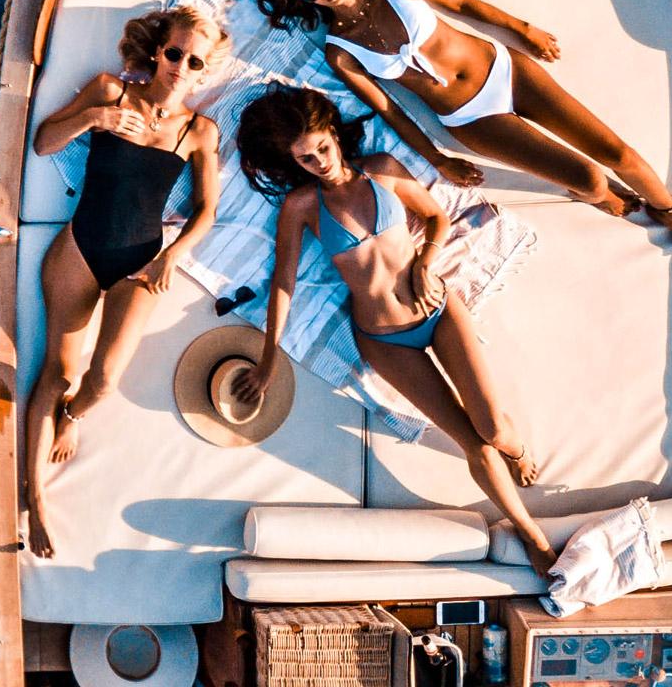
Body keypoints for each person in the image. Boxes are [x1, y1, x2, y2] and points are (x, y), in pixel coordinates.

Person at [230, 86, 557, 570]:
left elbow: (435, 217)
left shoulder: (381, 169)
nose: (318, 161)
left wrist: (425, 263)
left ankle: (519, 449)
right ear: (292, 161)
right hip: (385, 341)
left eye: (322, 147)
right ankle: (534, 537)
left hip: (439, 310)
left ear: (335, 136)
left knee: (492, 428)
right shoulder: (301, 206)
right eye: (304, 158)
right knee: (470, 442)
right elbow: (283, 285)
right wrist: (269, 360)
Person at [249, 0, 672, 260]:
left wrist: (524, 30)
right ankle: (604, 196)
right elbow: (390, 109)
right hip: (472, 120)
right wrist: (438, 158)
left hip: (506, 71)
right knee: (590, 180)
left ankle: (669, 211)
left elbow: (462, 5)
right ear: (301, 0)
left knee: (615, 151)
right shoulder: (339, 52)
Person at [20, 5, 229, 559]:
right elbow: (44, 143)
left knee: (103, 380)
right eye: (175, 53)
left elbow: (207, 211)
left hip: (141, 262)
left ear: (205, 73)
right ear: (159, 51)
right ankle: (35, 497)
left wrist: (175, 256)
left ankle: (70, 417)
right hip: (80, 251)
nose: (182, 66)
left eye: (195, 61)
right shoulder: (111, 92)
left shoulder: (199, 132)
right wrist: (97, 121)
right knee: (57, 371)